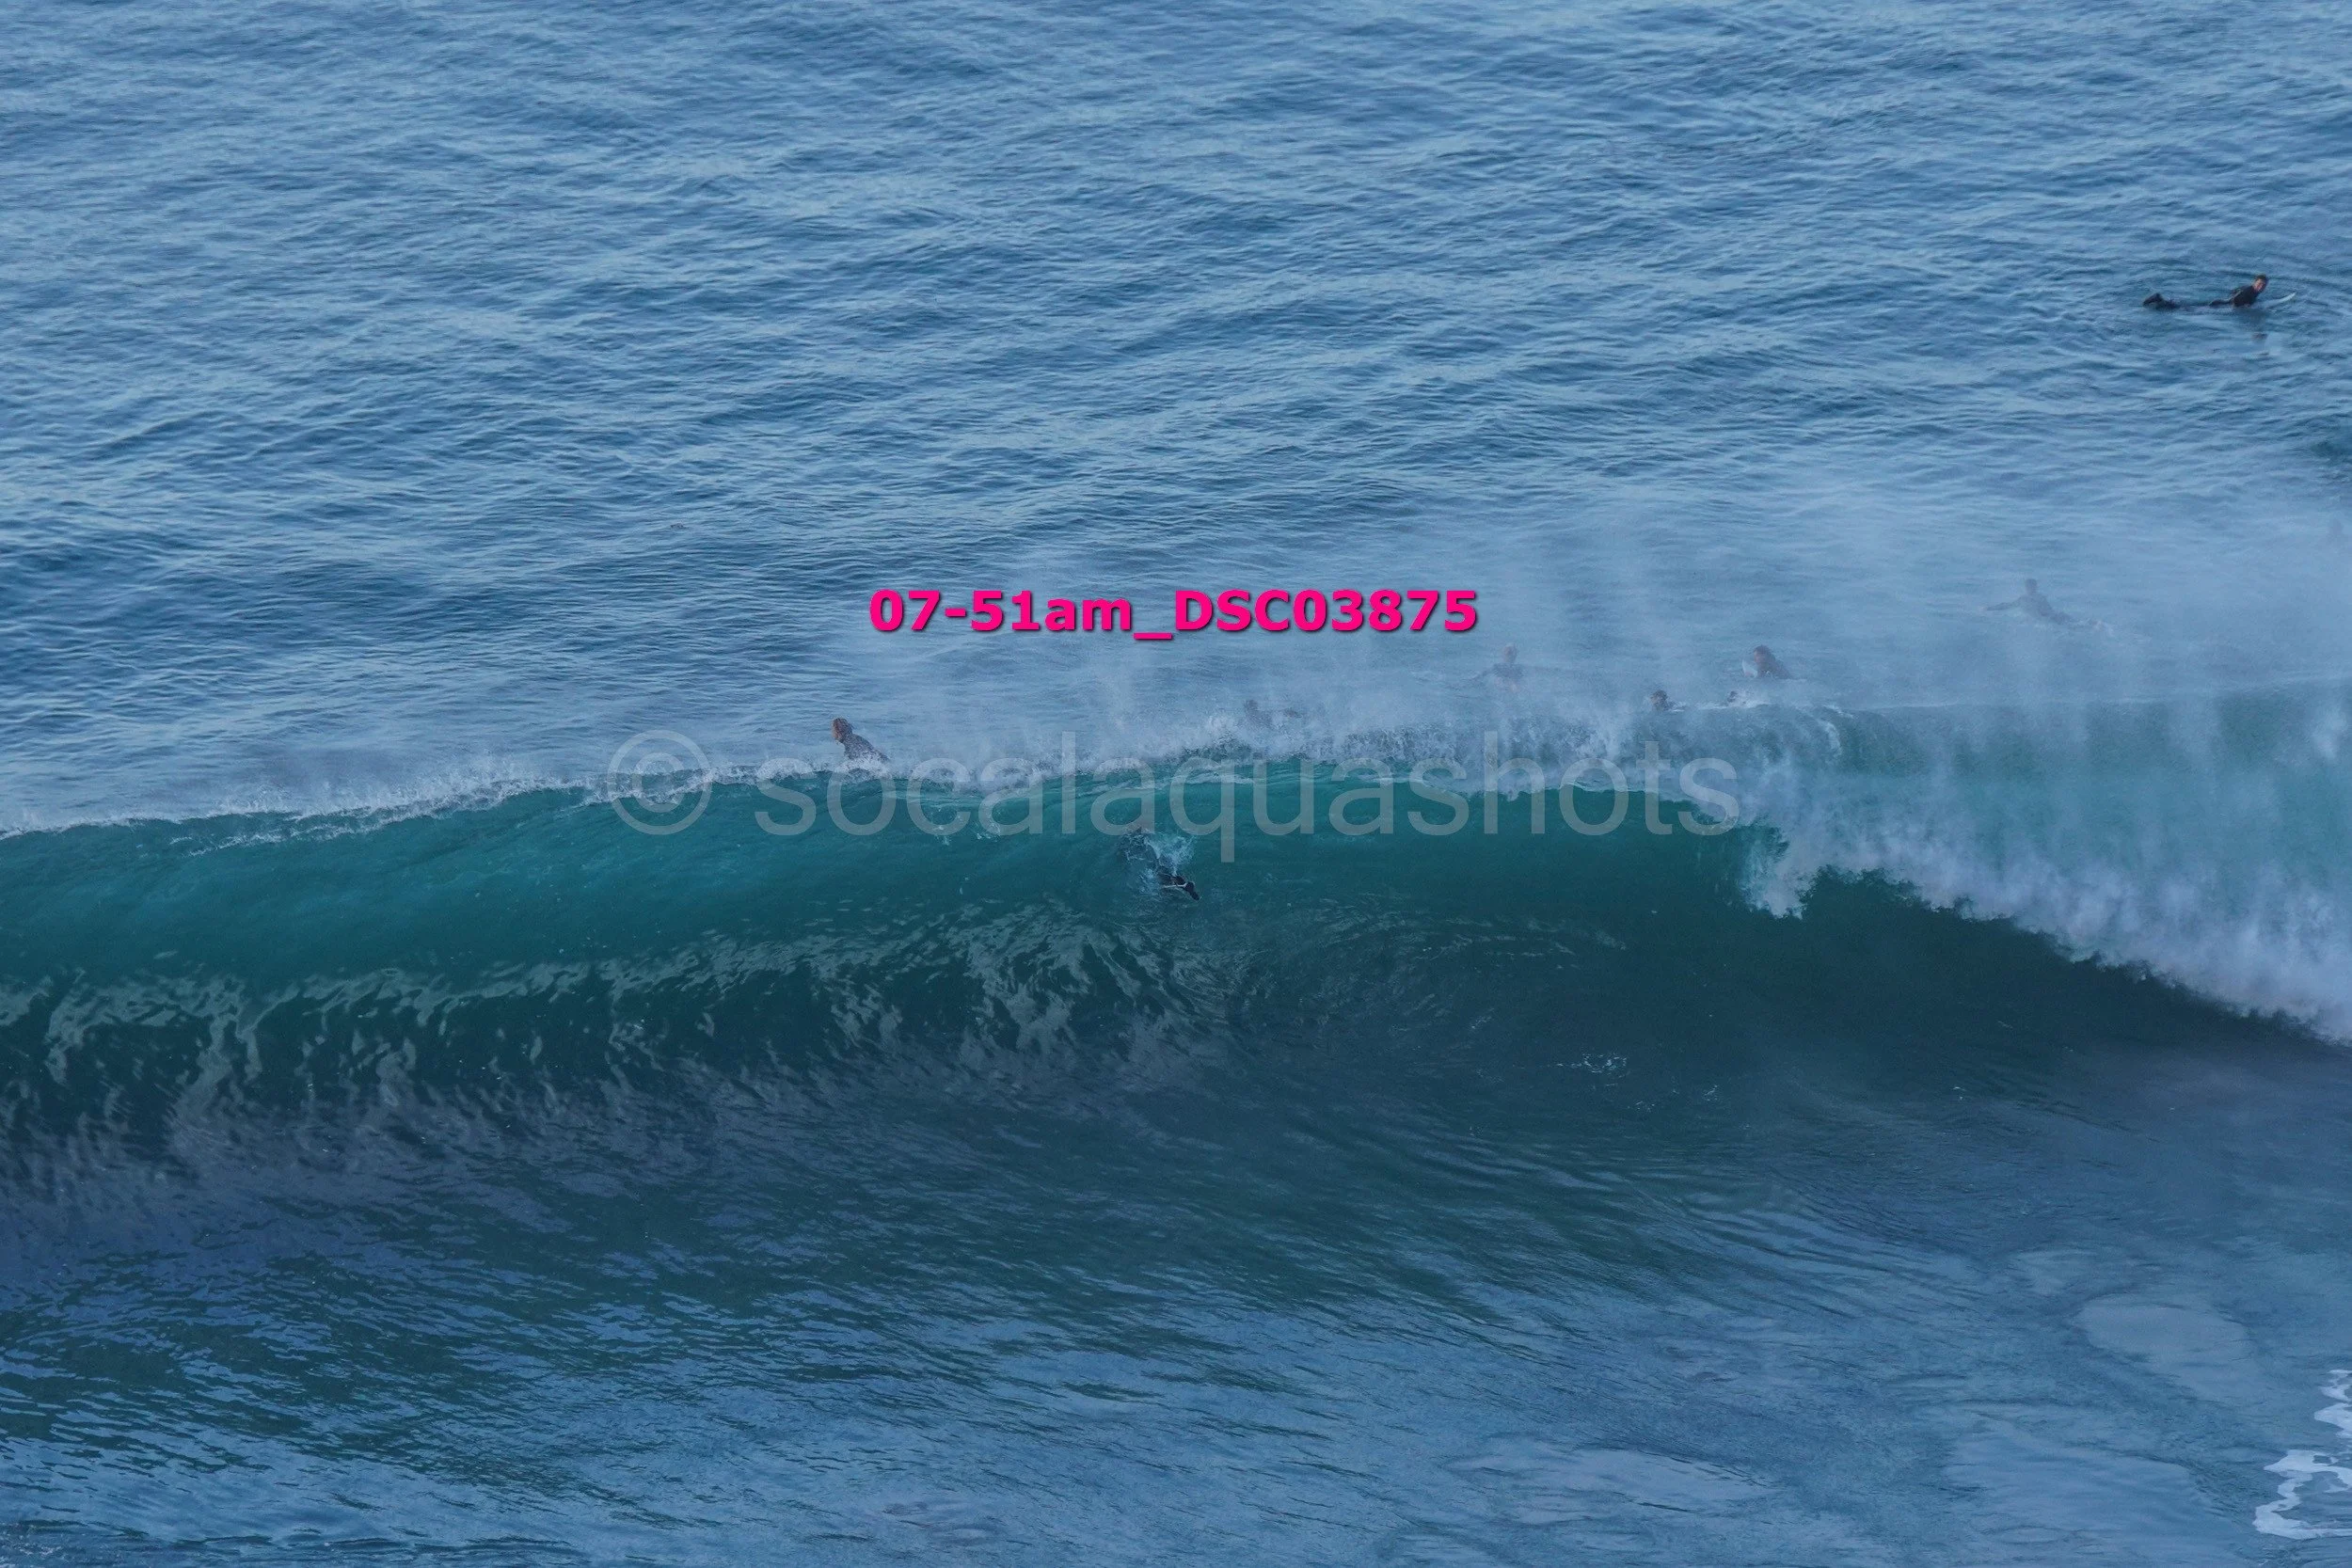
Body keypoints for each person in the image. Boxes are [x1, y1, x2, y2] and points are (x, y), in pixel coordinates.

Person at [2143, 275, 2266, 310]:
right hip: (2219, 305)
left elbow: (2234, 291)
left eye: (2264, 286)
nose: (2261, 287)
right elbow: (2236, 299)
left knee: (2187, 307)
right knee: (2186, 310)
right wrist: (2242, 306)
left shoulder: (2248, 289)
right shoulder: (2250, 292)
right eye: (2259, 284)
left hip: (2220, 302)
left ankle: (2164, 301)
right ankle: (2160, 300)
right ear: (2254, 282)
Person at [1983, 578, 2072, 624]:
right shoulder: (2025, 599)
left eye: (2032, 586)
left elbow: (2049, 612)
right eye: (2029, 586)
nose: (2031, 588)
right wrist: (1990, 608)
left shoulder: (2036, 598)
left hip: (2050, 619)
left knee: (2065, 618)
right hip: (2049, 619)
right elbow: (2006, 605)